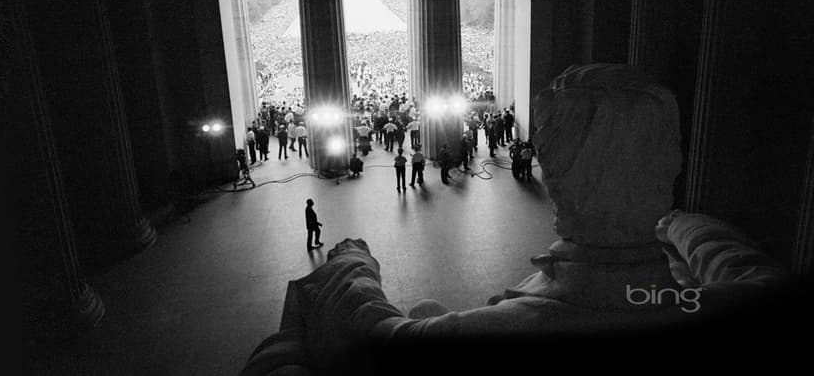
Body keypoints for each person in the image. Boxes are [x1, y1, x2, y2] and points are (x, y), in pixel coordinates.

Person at [243, 64, 791, 375]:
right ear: (671, 163)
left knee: (427, 304)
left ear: (553, 175)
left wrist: (348, 262)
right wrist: (678, 224)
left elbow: (369, 332)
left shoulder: (501, 329)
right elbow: (741, 269)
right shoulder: (709, 300)